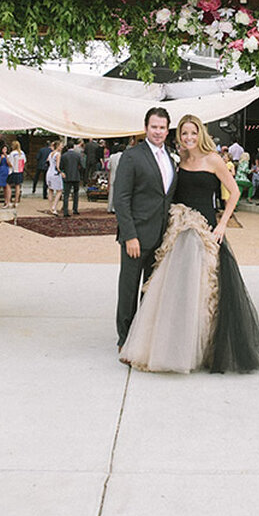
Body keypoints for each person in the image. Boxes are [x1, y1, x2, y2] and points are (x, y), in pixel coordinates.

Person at [120, 114, 259, 374]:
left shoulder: (213, 159)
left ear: (200, 133)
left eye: (193, 133)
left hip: (205, 233)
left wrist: (223, 223)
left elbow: (234, 192)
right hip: (177, 232)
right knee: (173, 292)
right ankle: (152, 343)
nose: (188, 138)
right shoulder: (179, 160)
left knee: (203, 293)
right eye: (184, 134)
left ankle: (198, 348)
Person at [114, 108, 178, 349]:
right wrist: (130, 235)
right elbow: (121, 199)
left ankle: (145, 336)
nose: (158, 131)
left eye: (162, 127)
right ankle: (125, 338)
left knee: (151, 292)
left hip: (161, 238)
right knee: (129, 289)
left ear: (167, 129)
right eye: (154, 127)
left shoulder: (171, 158)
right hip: (136, 237)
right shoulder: (132, 156)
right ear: (145, 128)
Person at [60, 141, 84, 217]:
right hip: (76, 176)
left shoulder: (64, 156)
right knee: (76, 193)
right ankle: (75, 209)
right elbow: (82, 165)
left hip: (67, 176)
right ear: (73, 147)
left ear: (67, 147)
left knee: (66, 194)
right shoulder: (77, 155)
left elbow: (61, 166)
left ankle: (66, 211)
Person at [46, 140, 64, 215]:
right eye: (61, 145)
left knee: (50, 190)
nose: (62, 147)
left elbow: (47, 161)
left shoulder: (50, 153)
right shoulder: (58, 154)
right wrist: (61, 172)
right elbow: (57, 166)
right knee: (59, 190)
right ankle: (54, 206)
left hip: (49, 172)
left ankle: (50, 207)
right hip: (55, 173)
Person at [6, 139, 26, 207]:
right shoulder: (22, 153)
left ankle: (8, 201)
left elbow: (11, 164)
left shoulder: (12, 153)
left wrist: (7, 161)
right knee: (18, 186)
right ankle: (16, 201)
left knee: (8, 185)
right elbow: (24, 161)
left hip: (13, 171)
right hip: (20, 171)